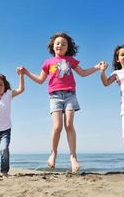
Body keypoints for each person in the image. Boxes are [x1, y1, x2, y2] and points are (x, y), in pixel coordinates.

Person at [20, 32, 101, 173]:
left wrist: (97, 67)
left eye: (64, 44)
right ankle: (53, 153)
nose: (60, 45)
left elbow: (82, 73)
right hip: (55, 96)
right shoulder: (48, 62)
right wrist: (26, 72)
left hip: (70, 95)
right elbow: (40, 80)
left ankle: (73, 157)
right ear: (53, 46)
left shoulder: (71, 60)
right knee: (57, 127)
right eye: (58, 43)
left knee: (69, 124)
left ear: (67, 47)